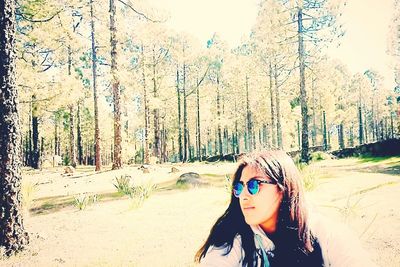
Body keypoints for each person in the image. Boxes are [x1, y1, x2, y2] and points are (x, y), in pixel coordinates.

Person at [195, 150, 377, 267]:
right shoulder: (233, 239)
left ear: (283, 189)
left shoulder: (324, 235)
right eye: (240, 187)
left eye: (254, 185)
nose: (243, 196)